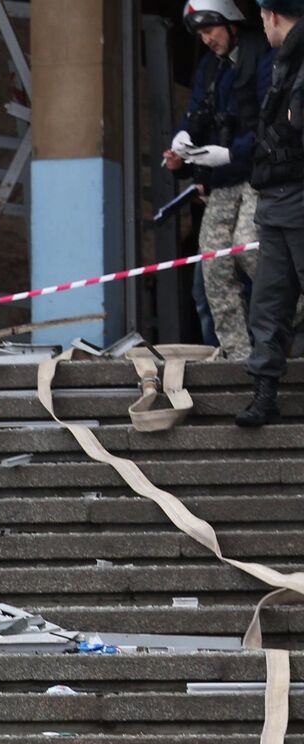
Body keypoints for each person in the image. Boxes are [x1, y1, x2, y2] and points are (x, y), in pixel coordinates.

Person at [166, 1, 271, 361]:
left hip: (261, 176)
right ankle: (238, 356)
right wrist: (182, 147)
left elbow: (270, 124)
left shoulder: (262, 55)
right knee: (213, 263)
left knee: (249, 246)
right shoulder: (210, 67)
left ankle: (287, 317)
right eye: (200, 33)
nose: (206, 38)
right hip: (223, 182)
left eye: (210, 29)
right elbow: (195, 114)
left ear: (230, 22)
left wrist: (229, 153)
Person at [240, 0, 304, 427]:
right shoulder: (287, 58)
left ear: (274, 15)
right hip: (277, 203)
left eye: (263, 16)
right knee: (267, 304)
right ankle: (264, 392)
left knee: (271, 303)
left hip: (298, 200)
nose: (261, 25)